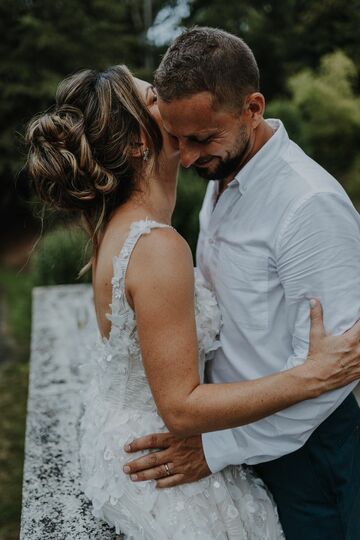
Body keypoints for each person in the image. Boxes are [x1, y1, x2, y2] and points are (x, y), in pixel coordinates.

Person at [25, 64, 360, 540]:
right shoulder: (156, 245)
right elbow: (180, 407)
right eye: (152, 97)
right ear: (139, 140)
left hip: (153, 443)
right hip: (171, 457)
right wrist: (313, 374)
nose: (166, 97)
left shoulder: (121, 226)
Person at [122, 28, 360, 540]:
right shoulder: (225, 168)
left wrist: (216, 447)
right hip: (234, 430)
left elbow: (331, 372)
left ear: (252, 108)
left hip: (307, 455)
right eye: (176, 138)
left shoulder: (308, 204)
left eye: (201, 139)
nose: (185, 159)